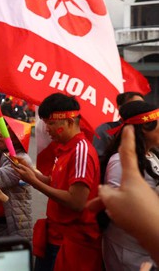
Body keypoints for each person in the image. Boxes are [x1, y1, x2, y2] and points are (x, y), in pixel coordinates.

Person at [12, 93, 102, 271]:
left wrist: (34, 182)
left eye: (51, 124)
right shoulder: (63, 149)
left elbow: (76, 201)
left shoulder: (81, 151)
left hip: (71, 242)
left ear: (69, 121)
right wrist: (30, 172)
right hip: (53, 236)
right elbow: (53, 182)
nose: (46, 129)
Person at [99, 100, 159, 270]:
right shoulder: (120, 163)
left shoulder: (152, 155)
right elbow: (122, 213)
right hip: (130, 255)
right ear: (146, 128)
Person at [93, 91, 144, 158]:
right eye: (136, 105)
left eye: (143, 105)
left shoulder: (147, 129)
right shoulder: (106, 129)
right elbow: (100, 160)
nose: (142, 108)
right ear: (120, 108)